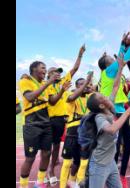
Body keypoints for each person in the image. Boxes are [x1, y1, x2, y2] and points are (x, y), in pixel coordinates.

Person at [87, 54, 130, 188]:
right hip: (99, 164)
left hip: (111, 162)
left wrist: (120, 68)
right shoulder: (100, 117)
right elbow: (112, 129)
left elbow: (115, 86)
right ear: (102, 105)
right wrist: (127, 113)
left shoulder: (109, 105)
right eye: (103, 97)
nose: (106, 96)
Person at [46, 45, 85, 185]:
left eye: (58, 72)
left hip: (63, 120)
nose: (58, 74)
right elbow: (52, 101)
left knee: (56, 146)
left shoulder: (64, 81)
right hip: (50, 119)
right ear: (48, 75)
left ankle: (52, 169)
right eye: (54, 72)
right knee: (47, 148)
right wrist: (62, 90)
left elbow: (74, 69)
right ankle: (48, 171)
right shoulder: (47, 85)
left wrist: (80, 54)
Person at [19, 61, 59, 188]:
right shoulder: (25, 81)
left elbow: (52, 102)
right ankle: (24, 185)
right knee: (30, 158)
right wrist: (48, 83)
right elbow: (30, 97)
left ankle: (40, 182)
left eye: (46, 68)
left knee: (47, 153)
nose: (45, 70)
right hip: (32, 125)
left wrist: (62, 90)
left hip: (46, 123)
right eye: (43, 68)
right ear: (34, 69)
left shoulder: (45, 84)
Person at [59, 73, 93, 188]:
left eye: (87, 84)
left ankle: (77, 185)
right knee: (67, 162)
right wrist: (86, 82)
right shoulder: (70, 94)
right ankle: (63, 186)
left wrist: (91, 87)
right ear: (77, 86)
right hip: (73, 131)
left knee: (82, 163)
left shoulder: (90, 97)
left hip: (86, 132)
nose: (86, 86)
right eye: (82, 84)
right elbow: (71, 98)